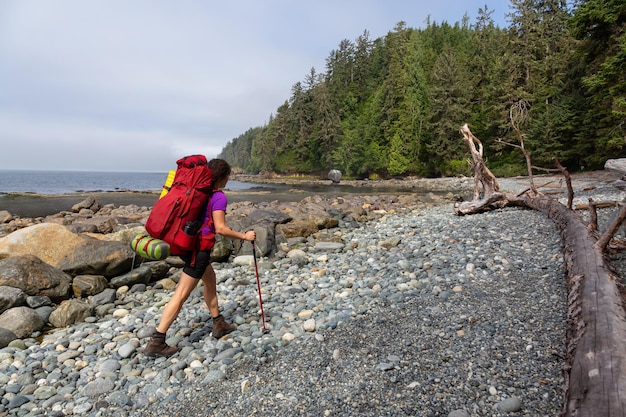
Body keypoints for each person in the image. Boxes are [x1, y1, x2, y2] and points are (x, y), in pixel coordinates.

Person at [144, 158, 256, 357]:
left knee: (210, 280)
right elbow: (220, 228)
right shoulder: (218, 197)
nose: (228, 181)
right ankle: (157, 341)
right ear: (222, 178)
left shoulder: (196, 191)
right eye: (227, 177)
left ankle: (218, 322)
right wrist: (244, 236)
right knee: (181, 294)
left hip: (186, 244)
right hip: (199, 250)